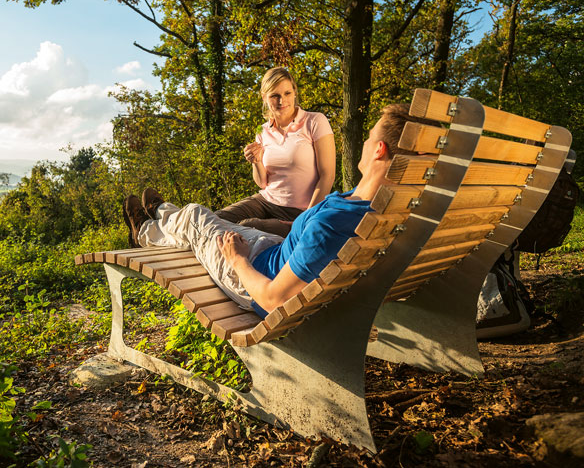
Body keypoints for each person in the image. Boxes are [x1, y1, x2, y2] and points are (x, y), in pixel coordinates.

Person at [123, 103, 427, 317]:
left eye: (370, 136)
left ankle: (151, 225)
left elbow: (274, 298)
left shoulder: (337, 223)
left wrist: (238, 261)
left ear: (379, 149)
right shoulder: (388, 211)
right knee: (208, 221)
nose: (365, 141)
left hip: (254, 275)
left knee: (194, 216)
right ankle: (156, 221)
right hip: (276, 253)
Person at [215, 67, 335, 237]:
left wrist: (307, 220)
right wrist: (256, 161)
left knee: (247, 227)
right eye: (275, 95)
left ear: (294, 92)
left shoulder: (315, 121)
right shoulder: (262, 131)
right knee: (214, 219)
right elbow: (262, 183)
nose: (282, 101)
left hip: (299, 211)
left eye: (287, 93)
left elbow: (327, 176)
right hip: (265, 201)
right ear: (264, 97)